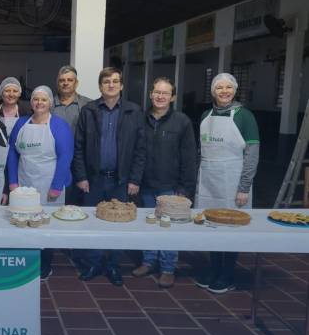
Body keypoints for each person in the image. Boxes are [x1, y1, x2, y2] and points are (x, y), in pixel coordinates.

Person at [72, 67, 145, 287]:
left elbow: (141, 149)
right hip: (93, 179)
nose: (111, 85)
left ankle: (113, 265)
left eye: (115, 81)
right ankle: (94, 263)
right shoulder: (89, 110)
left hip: (120, 180)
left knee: (119, 225)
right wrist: (81, 177)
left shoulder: (134, 111)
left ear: (121, 86)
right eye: (106, 82)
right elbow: (79, 147)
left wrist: (134, 180)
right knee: (92, 223)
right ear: (100, 86)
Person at [196, 73, 259, 294]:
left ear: (234, 90)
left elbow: (251, 155)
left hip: (234, 181)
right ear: (213, 91)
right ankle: (214, 270)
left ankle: (228, 275)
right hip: (208, 182)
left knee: (231, 228)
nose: (224, 91)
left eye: (228, 87)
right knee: (212, 225)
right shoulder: (206, 115)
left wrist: (244, 187)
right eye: (219, 87)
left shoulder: (245, 117)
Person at [132, 78, 196, 289]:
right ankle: (148, 261)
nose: (160, 96)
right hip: (147, 184)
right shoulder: (140, 119)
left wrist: (184, 189)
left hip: (171, 185)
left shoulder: (182, 121)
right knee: (150, 224)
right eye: (157, 92)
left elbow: (189, 158)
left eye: (165, 93)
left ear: (173, 97)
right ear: (150, 94)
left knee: (170, 228)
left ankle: (168, 268)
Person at [7, 86, 74, 279]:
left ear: (50, 103)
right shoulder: (21, 123)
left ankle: (45, 262)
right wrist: (13, 182)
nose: (39, 103)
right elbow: (13, 152)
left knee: (47, 224)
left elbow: (65, 157)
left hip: (49, 182)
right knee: (24, 221)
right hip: (24, 181)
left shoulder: (59, 126)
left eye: (43, 99)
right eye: (36, 99)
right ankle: (26, 259)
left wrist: (55, 187)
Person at [51, 65, 92, 206]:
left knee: (78, 201)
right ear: (57, 84)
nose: (66, 83)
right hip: (55, 160)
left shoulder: (89, 105)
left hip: (80, 161)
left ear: (76, 83)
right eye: (62, 80)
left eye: (70, 80)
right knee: (58, 198)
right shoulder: (48, 104)